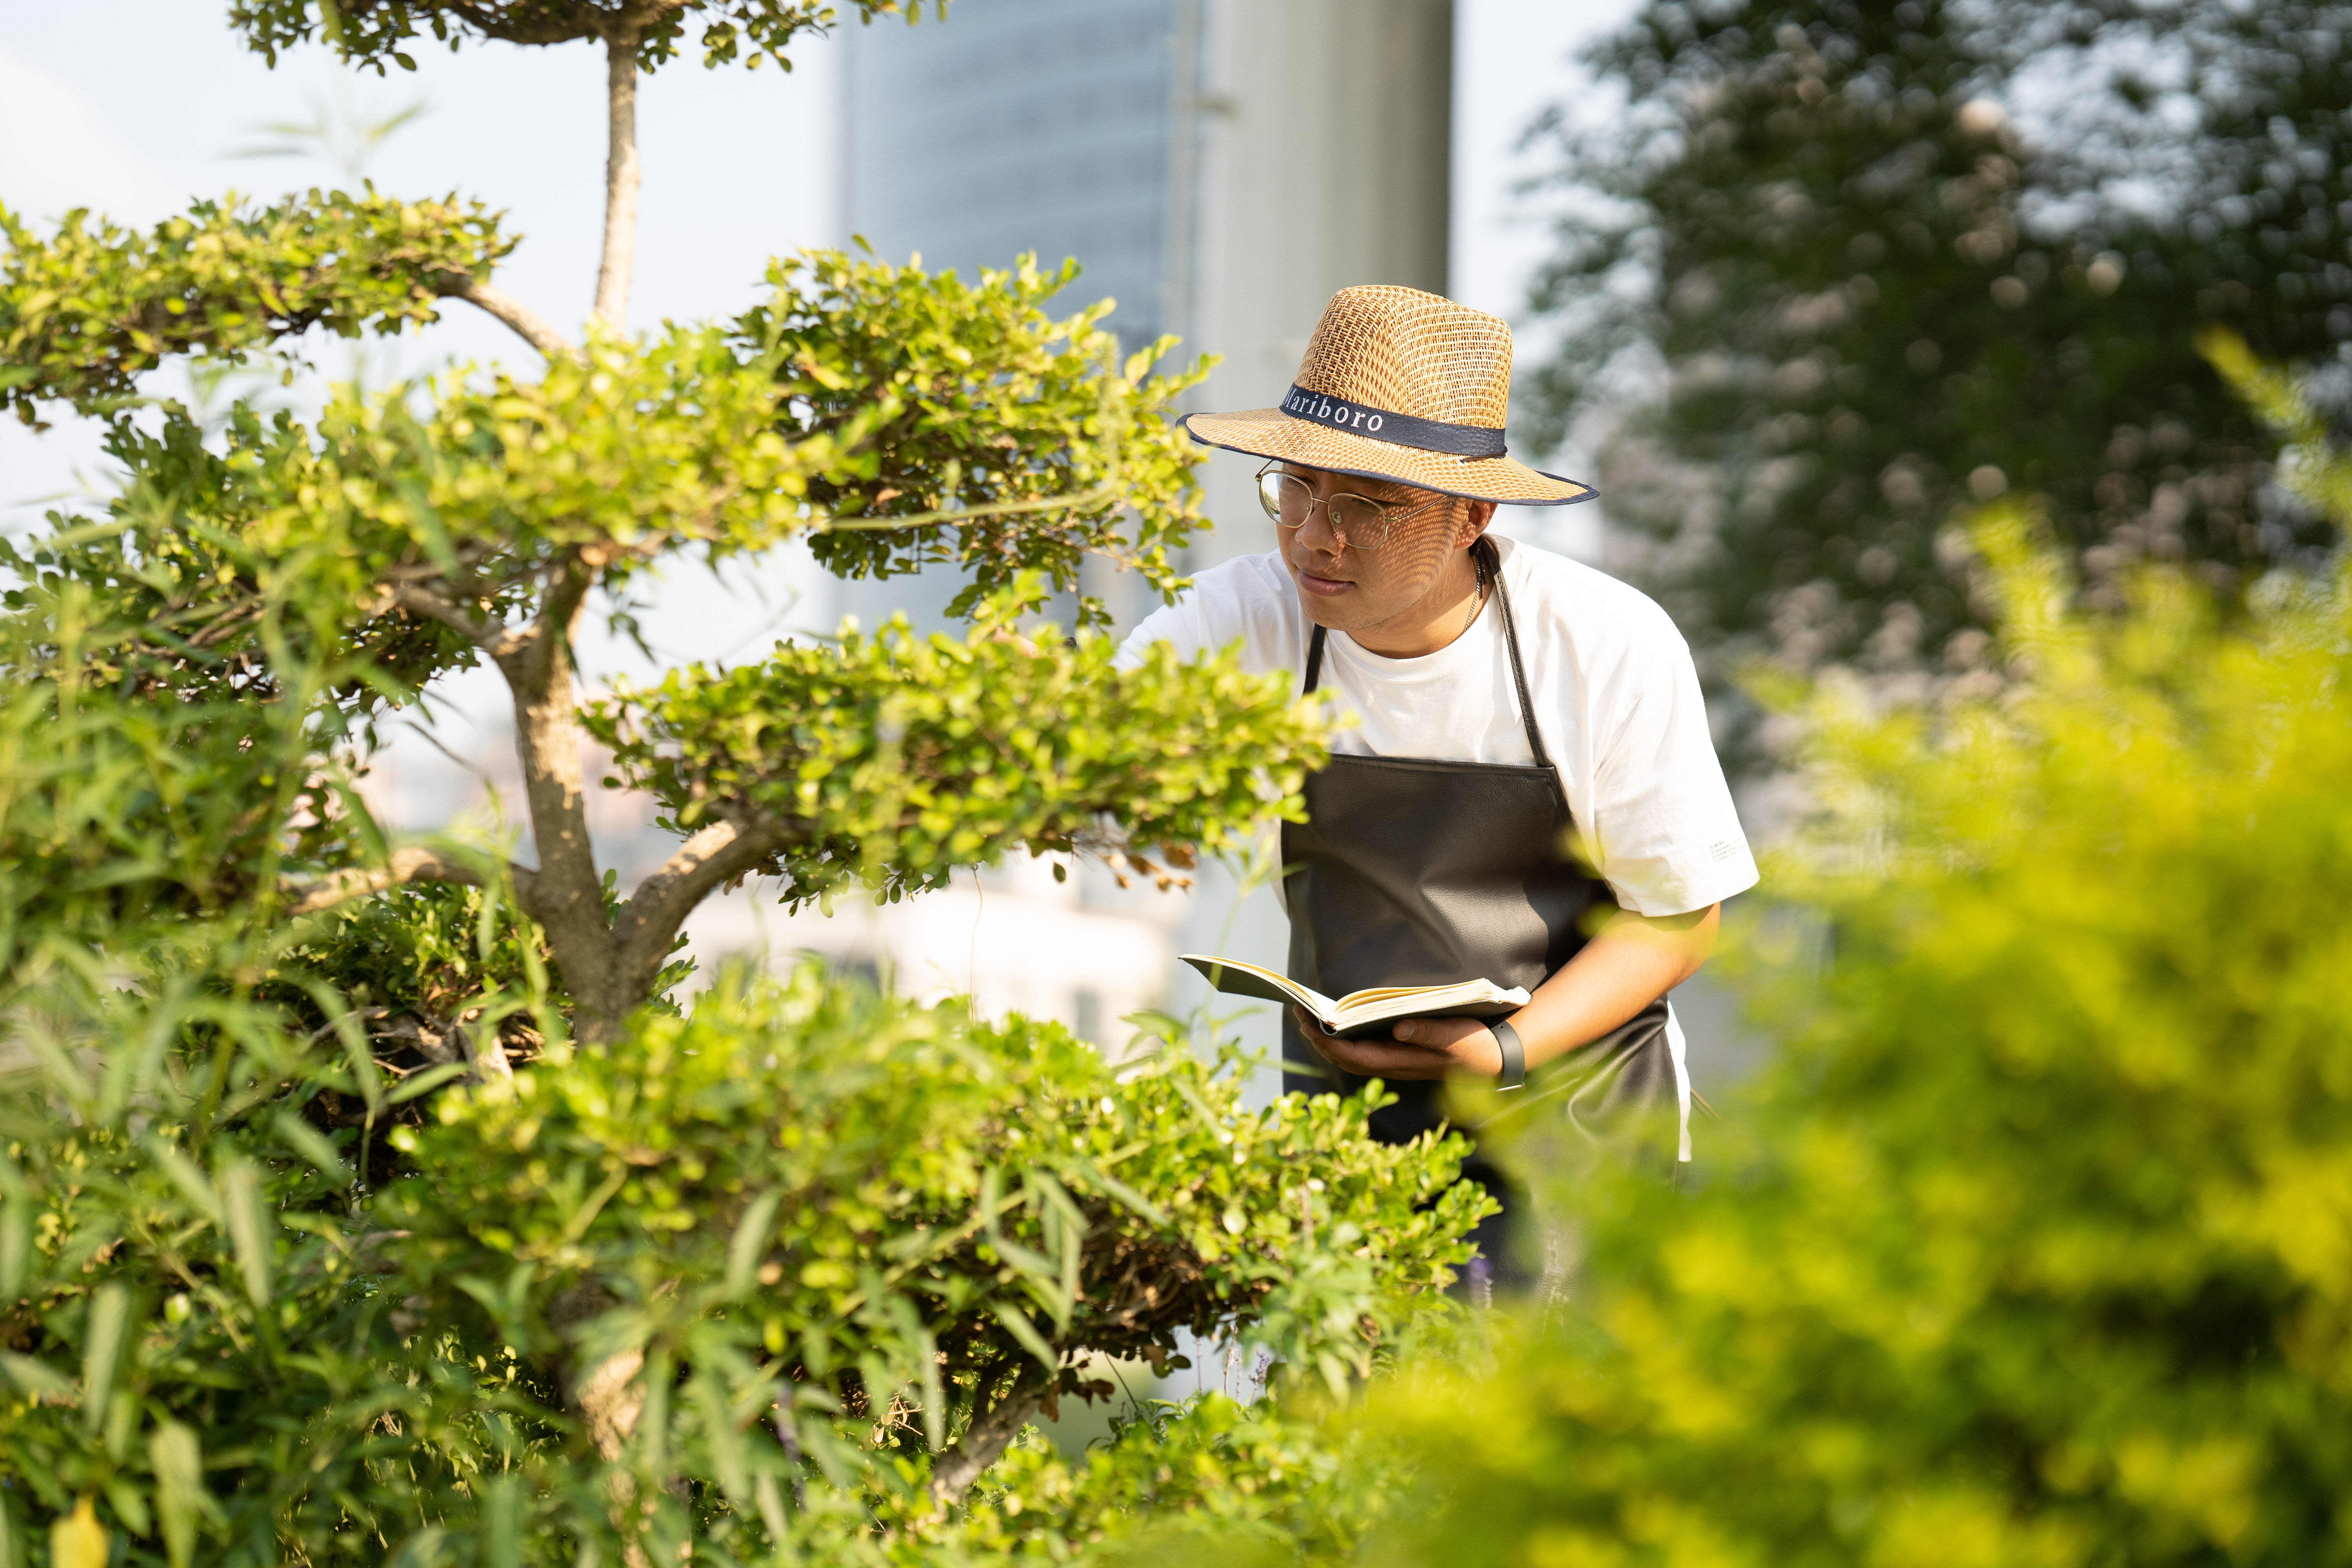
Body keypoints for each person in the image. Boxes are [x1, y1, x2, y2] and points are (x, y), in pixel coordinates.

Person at [1116, 285, 1758, 1290]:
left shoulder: (1601, 643)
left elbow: (1678, 921)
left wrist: (1501, 1048)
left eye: (1368, 506)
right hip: (1346, 1121)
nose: (1315, 538)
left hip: (1573, 1115)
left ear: (1473, 514)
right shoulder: (1243, 619)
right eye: (1296, 488)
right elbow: (1085, 746)